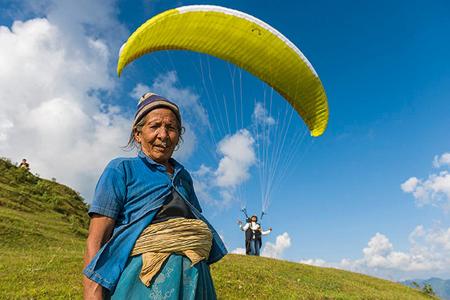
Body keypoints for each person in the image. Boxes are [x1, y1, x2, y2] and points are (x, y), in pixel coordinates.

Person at [83, 92, 227, 299]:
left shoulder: (184, 177)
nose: (163, 135)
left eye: (171, 128)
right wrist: (93, 294)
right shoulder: (121, 169)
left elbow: (192, 231)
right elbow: (97, 239)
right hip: (141, 284)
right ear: (138, 134)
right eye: (154, 126)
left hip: (196, 282)